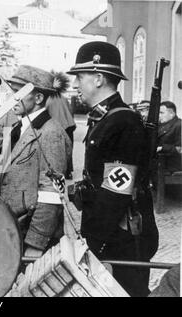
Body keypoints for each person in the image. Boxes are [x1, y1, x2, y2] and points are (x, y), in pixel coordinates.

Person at [67, 41, 159, 297]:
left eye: (79, 77)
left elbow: (117, 190)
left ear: (98, 79)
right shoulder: (106, 118)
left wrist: (94, 240)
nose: (75, 85)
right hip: (113, 234)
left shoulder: (122, 122)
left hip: (123, 238)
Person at [0, 65, 72, 258]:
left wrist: (36, 245)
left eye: (18, 92)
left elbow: (51, 193)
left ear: (38, 98)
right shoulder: (17, 128)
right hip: (12, 229)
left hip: (31, 235)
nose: (12, 98)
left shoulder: (51, 133)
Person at [45, 91, 76, 179]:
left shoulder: (48, 99)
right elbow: (71, 111)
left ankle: (57, 172)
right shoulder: (63, 98)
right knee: (68, 149)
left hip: (55, 128)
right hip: (68, 125)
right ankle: (68, 172)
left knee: (55, 150)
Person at [157, 101, 181, 172]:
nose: (159, 115)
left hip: (172, 168)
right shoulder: (160, 125)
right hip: (161, 166)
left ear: (172, 113)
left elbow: (180, 149)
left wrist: (162, 148)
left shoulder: (179, 125)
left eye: (161, 113)